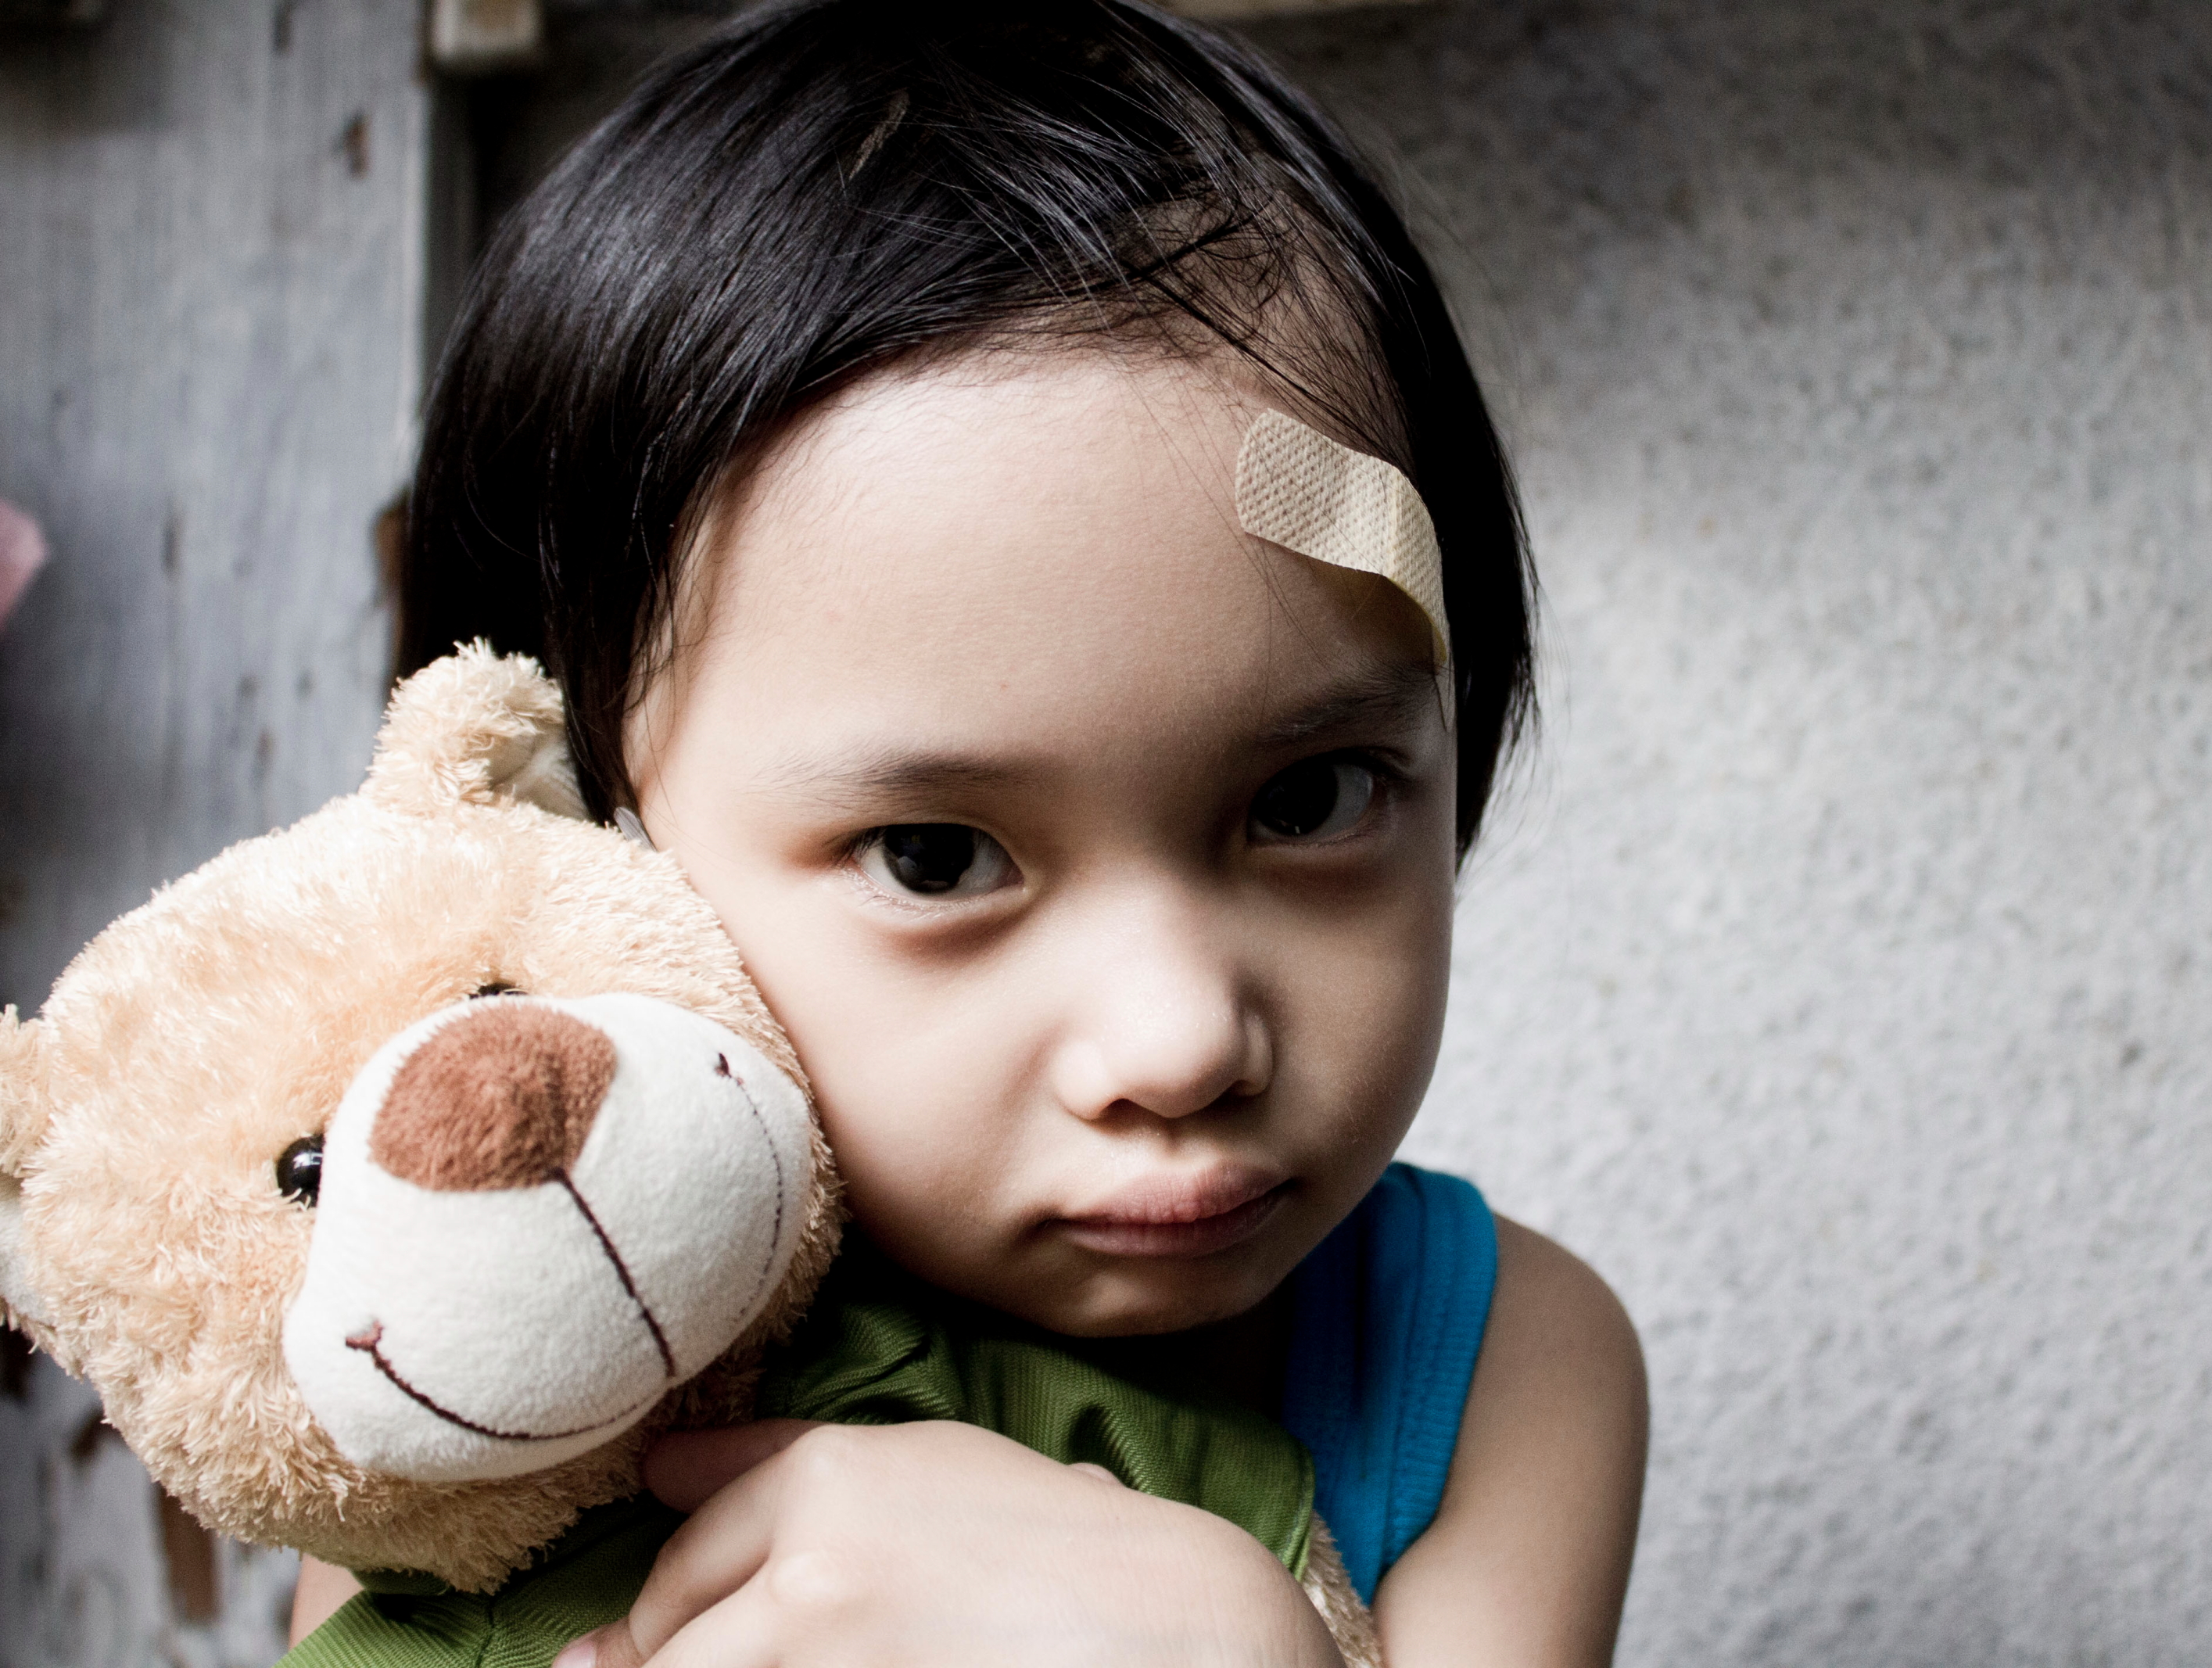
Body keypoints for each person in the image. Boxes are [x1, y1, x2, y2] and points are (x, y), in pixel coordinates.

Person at [295, 3, 1647, 1662]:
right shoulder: (478, 1341)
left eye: (1308, 799)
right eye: (936, 855)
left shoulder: (1498, 1359)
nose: (1178, 1038)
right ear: (577, 841)